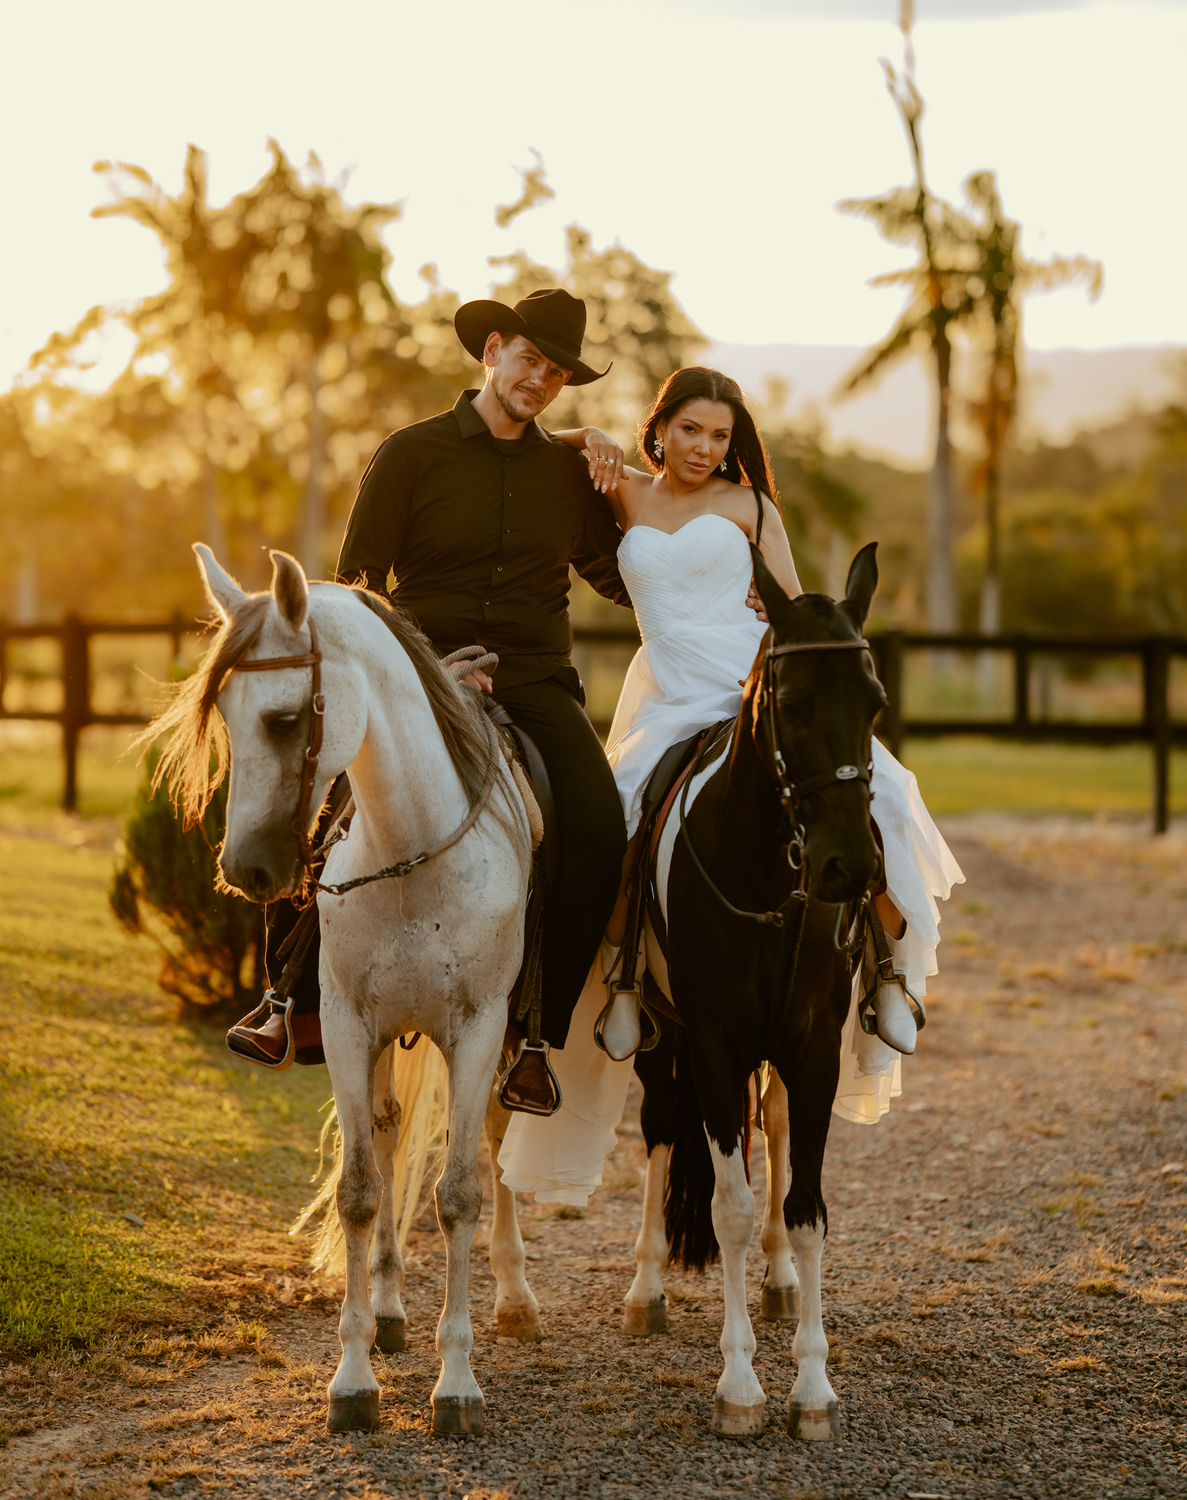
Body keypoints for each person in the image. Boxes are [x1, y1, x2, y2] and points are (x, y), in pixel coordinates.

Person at [498, 367, 964, 1204]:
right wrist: (588, 439)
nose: (705, 450)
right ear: (660, 429)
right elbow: (539, 440)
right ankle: (629, 983)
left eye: (720, 437)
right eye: (690, 432)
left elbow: (789, 607)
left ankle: (885, 971)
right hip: (673, 695)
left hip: (748, 684)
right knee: (614, 820)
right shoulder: (626, 497)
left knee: (883, 796)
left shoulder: (753, 508)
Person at [228, 289, 643, 1113]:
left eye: (557, 372)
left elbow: (629, 577)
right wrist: (425, 669)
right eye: (530, 360)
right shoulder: (410, 455)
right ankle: (286, 1000)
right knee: (324, 807)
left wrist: (683, 527)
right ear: (492, 351)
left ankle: (534, 1037)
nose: (540, 380)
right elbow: (355, 585)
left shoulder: (569, 472)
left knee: (598, 828)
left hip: (535, 680)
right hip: (420, 680)